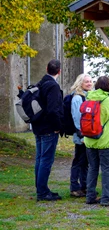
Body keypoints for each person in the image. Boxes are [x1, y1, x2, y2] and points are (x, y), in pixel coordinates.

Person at [85, 76, 109, 206]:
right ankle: (106, 198)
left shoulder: (89, 97)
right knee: (106, 169)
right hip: (104, 140)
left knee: (92, 168)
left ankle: (90, 196)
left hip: (89, 139)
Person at [32, 59, 64, 201]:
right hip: (48, 128)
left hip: (38, 125)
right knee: (46, 159)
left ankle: (41, 188)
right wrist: (57, 127)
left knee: (40, 158)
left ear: (46, 68)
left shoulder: (41, 83)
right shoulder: (52, 86)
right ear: (59, 71)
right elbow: (52, 110)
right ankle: (42, 192)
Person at [69, 74, 93, 197]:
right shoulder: (77, 98)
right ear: (80, 83)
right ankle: (74, 187)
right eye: (86, 82)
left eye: (90, 81)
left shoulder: (89, 96)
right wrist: (82, 136)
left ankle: (84, 186)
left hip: (87, 135)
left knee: (86, 163)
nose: (89, 83)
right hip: (81, 136)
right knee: (78, 162)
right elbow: (77, 118)